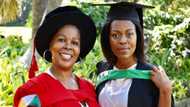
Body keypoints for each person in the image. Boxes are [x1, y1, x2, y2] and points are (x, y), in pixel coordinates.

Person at [14, 6, 100, 107]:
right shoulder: (32, 90)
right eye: (61, 40)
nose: (68, 46)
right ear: (49, 45)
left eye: (74, 42)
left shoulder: (89, 87)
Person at [94, 2, 174, 107]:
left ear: (138, 37)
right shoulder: (103, 70)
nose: (122, 41)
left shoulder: (152, 76)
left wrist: (165, 90)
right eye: (115, 35)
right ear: (107, 38)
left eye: (129, 34)